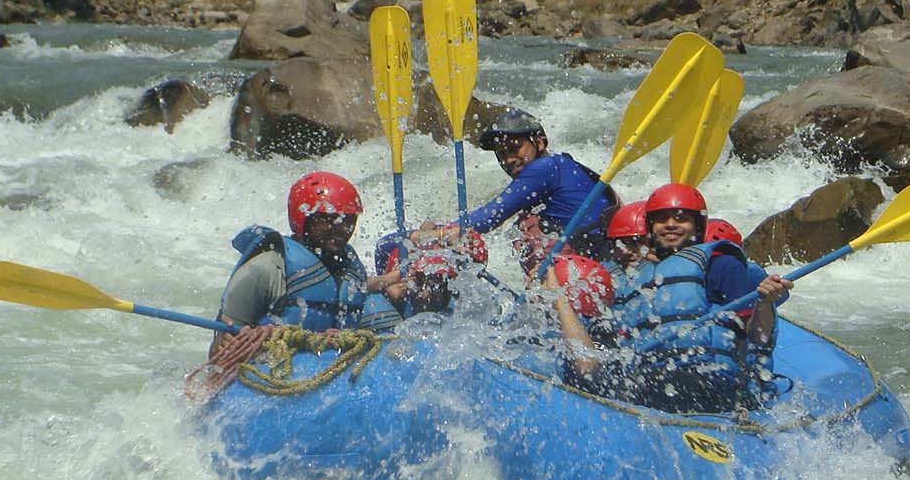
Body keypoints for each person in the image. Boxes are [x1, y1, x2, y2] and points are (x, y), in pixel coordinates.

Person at [543, 183, 792, 414]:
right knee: (584, 373)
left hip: (705, 379)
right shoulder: (635, 280)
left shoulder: (719, 264)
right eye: (661, 219)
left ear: (698, 226)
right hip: (650, 377)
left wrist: (765, 303)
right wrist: (557, 293)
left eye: (681, 219)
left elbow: (757, 336)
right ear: (650, 227)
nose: (671, 224)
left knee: (659, 384)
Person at [411, 108, 617, 278]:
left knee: (390, 243)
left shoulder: (546, 168)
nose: (507, 159)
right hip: (596, 270)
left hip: (593, 274)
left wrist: (433, 234)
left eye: (514, 148)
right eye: (501, 153)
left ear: (539, 142)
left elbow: (489, 217)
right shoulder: (562, 167)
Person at [211, 172, 402, 353]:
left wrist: (386, 285)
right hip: (276, 363)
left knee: (378, 305)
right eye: (328, 220)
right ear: (304, 219)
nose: (341, 229)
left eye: (347, 220)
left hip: (334, 363)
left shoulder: (348, 263)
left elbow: (339, 295)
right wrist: (224, 341)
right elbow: (220, 348)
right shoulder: (266, 267)